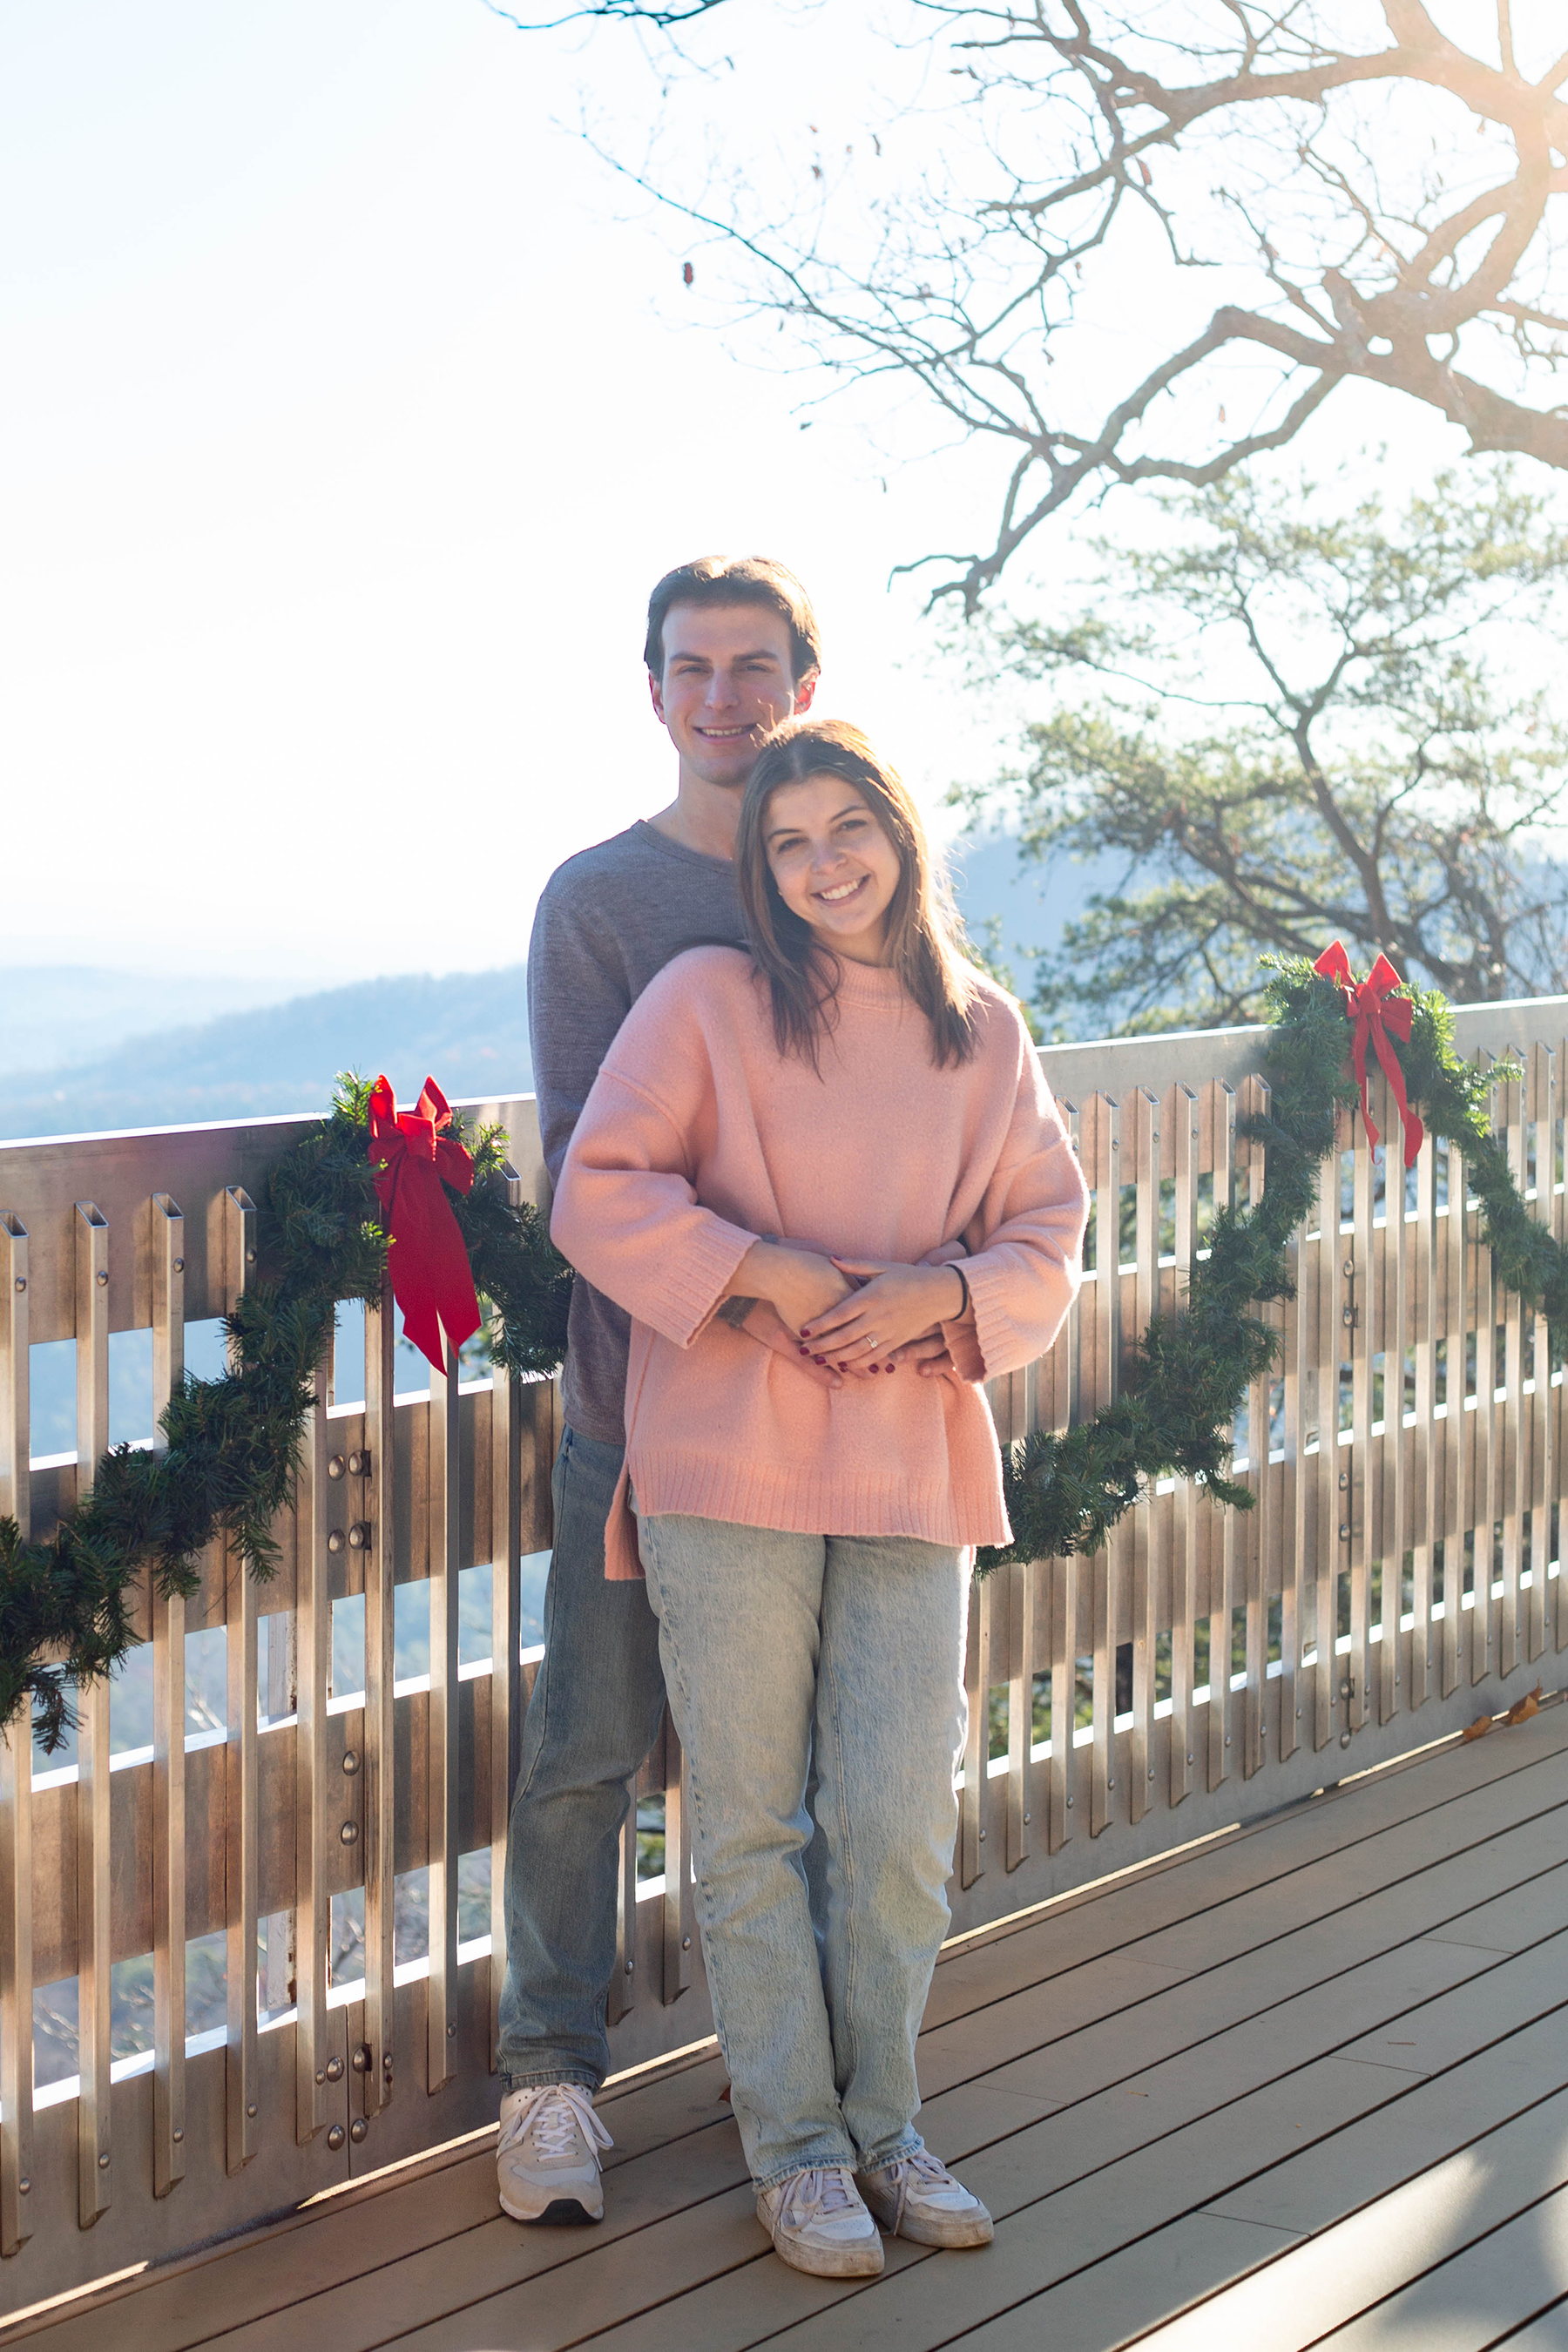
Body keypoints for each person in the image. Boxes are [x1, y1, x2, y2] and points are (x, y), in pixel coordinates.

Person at [551, 718, 1089, 2277]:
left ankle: (888, 2123)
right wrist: (761, 1270)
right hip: (726, 1457)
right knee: (750, 1819)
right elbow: (602, 1187)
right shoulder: (705, 1001)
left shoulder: (981, 1033)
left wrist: (940, 1295)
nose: (820, 864)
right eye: (786, 846)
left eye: (845, 829)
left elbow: (1047, 1237)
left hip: (913, 1455)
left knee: (901, 1814)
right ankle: (794, 2151)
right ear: (760, 870)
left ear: (898, 833)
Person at [498, 558, 955, 2227]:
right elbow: (599, 1169)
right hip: (651, 1398)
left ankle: (832, 2109)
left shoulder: (833, 886)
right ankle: (549, 2077)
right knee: (593, 1746)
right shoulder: (603, 906)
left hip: (852, 1419)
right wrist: (765, 1288)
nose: (724, 697)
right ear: (654, 691)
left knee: (842, 1774)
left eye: (755, 666)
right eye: (692, 668)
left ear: (807, 681)